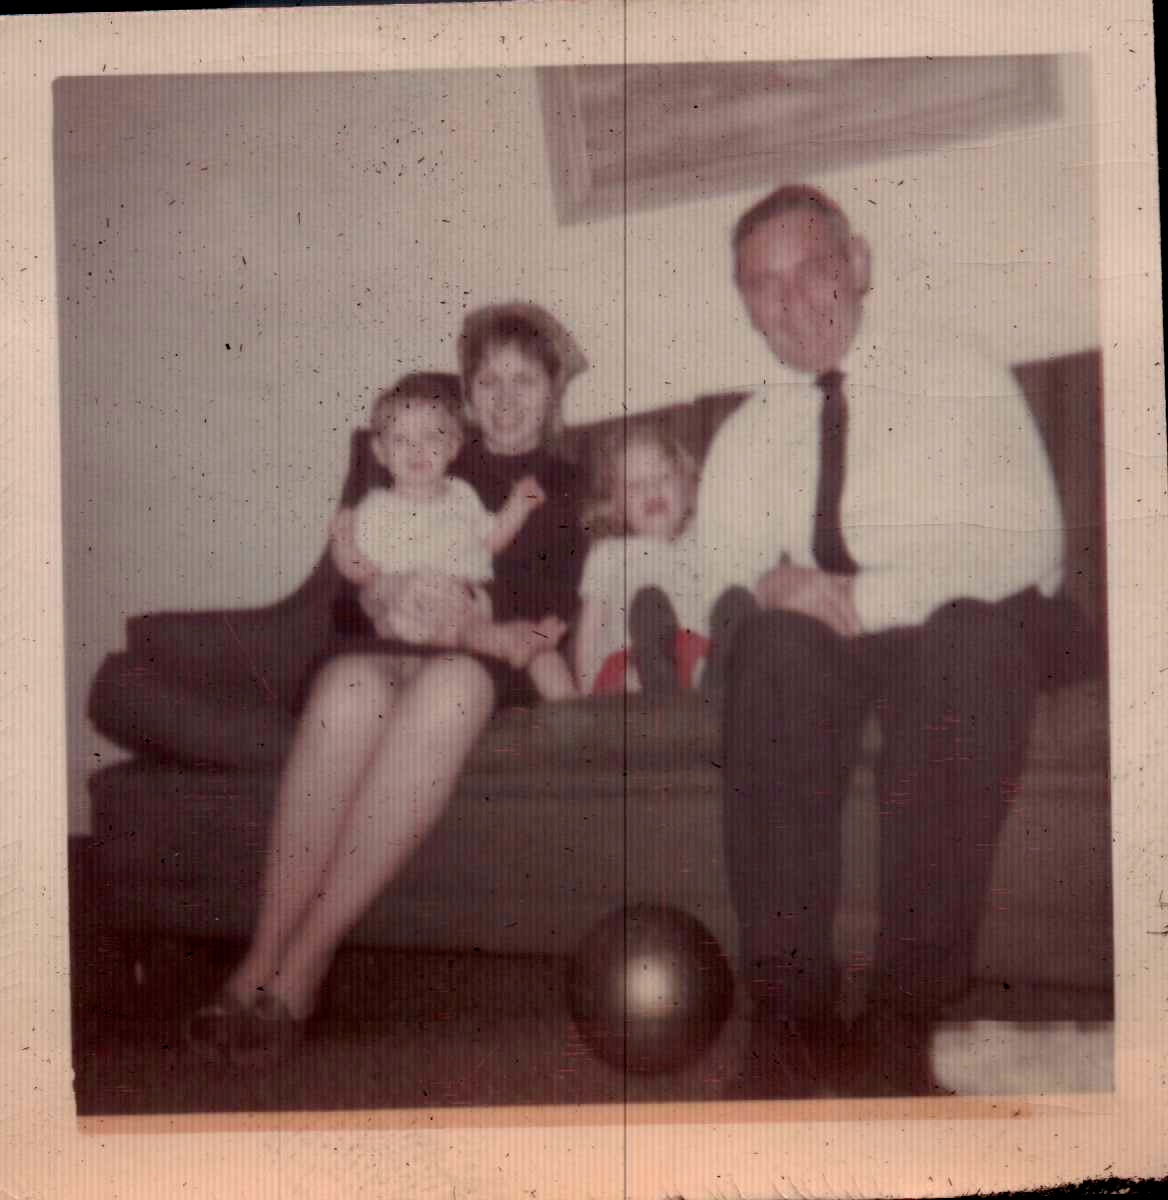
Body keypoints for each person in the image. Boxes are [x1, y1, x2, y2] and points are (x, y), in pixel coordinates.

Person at [694, 185, 1066, 1098]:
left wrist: (874, 597)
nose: (792, 301)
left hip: (956, 621)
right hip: (830, 649)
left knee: (966, 646)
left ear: (858, 265)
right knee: (771, 651)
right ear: (746, 305)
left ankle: (906, 1011)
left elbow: (1028, 542)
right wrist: (766, 588)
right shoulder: (747, 431)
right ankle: (792, 1016)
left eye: (812, 270)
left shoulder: (960, 372)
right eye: (763, 286)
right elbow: (719, 578)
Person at [184, 302, 587, 1064]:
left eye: (524, 381)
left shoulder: (564, 482)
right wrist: (382, 594)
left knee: (449, 691)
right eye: (488, 381)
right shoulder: (422, 442)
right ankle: (258, 960)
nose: (505, 399)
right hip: (387, 641)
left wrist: (476, 615)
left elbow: (555, 611)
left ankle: (304, 968)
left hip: (487, 659)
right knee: (346, 691)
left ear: (554, 388)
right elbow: (343, 593)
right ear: (466, 394)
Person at [336, 372, 577, 700]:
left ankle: (571, 704)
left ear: (452, 447)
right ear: (380, 451)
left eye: (431, 438)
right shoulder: (376, 507)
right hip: (411, 609)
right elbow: (361, 571)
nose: (417, 450)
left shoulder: (461, 494)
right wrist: (343, 540)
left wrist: (518, 505)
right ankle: (511, 642)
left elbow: (491, 540)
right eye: (401, 440)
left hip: (470, 598)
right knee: (469, 629)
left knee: (540, 654)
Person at [575, 414, 755, 698]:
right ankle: (660, 679)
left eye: (664, 477)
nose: (652, 490)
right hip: (632, 666)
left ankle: (716, 683)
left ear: (688, 488)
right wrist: (587, 692)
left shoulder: (705, 539)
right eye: (636, 485)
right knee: (648, 605)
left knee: (736, 600)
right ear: (615, 506)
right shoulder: (608, 553)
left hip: (699, 660)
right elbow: (590, 629)